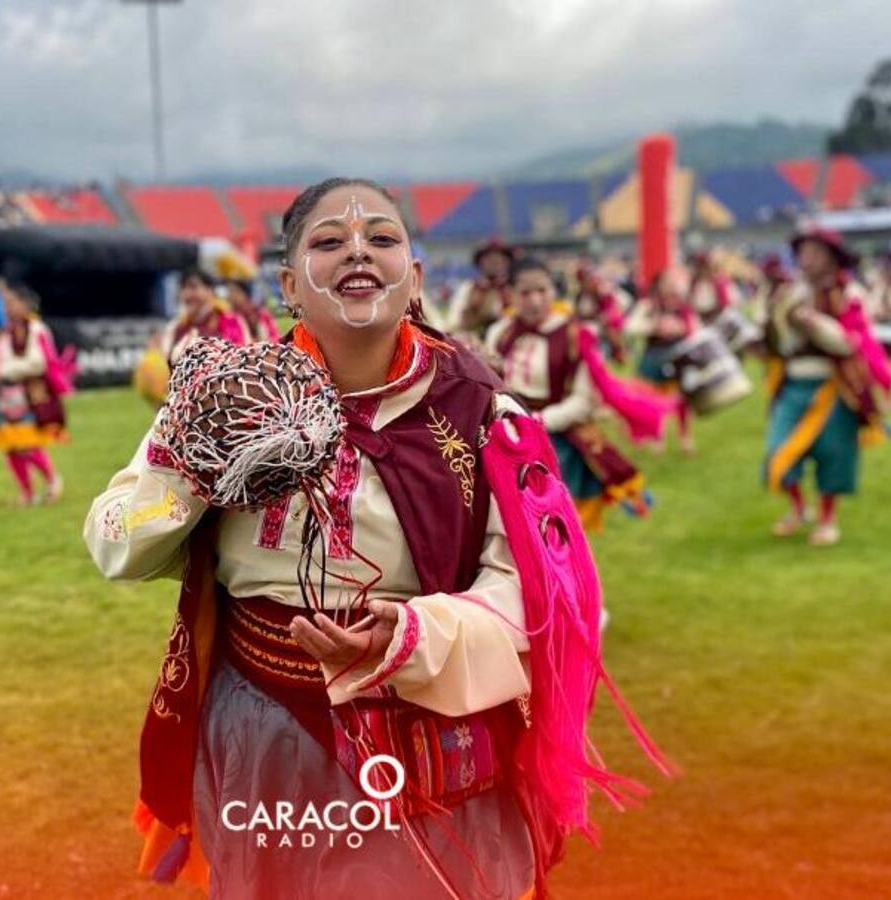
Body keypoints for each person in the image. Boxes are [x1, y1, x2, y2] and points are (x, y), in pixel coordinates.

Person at [85, 178, 658, 899]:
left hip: (431, 718)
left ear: (414, 276)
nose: (358, 250)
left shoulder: (482, 411)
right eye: (328, 241)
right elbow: (113, 541)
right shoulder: (226, 400)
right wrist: (195, 470)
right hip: (264, 723)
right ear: (290, 282)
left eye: (382, 238)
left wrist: (416, 634)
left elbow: (543, 589)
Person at [487, 257, 655, 531]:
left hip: (556, 437)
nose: (535, 300)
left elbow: (583, 400)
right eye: (526, 293)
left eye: (542, 291)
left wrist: (538, 421)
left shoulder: (576, 334)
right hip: (505, 436)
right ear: (512, 295)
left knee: (557, 528)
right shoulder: (499, 334)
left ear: (554, 291)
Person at [762, 228, 891, 546]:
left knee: (834, 454)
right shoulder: (787, 293)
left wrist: (816, 325)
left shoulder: (849, 294)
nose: (807, 259)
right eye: (804, 252)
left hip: (834, 386)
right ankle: (798, 509)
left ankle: (827, 518)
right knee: (778, 449)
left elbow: (851, 344)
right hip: (793, 383)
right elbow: (774, 340)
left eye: (815, 252)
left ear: (831, 259)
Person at [0, 280, 67, 506]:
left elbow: (39, 362)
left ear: (25, 304)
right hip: (6, 395)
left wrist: (8, 369)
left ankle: (52, 480)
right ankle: (27, 492)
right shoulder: (6, 333)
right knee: (10, 446)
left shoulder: (36, 330)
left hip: (28, 394)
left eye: (11, 302)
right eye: (6, 303)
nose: (7, 307)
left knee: (27, 443)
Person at [625, 265, 699, 454]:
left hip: (679, 354)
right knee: (653, 398)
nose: (670, 286)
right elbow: (631, 326)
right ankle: (657, 437)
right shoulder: (649, 305)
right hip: (654, 355)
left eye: (672, 282)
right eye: (666, 282)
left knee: (682, 399)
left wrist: (680, 328)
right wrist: (653, 326)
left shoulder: (683, 304)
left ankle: (685, 438)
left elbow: (695, 327)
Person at [159, 268, 251, 367]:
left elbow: (242, 362)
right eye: (183, 288)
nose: (187, 294)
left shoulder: (231, 322)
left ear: (210, 290)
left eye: (193, 287)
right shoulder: (176, 328)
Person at [446, 238, 514, 340]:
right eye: (489, 259)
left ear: (507, 262)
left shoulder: (514, 289)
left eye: (499, 259)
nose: (494, 262)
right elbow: (454, 321)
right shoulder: (468, 288)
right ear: (480, 262)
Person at [226, 278, 281, 343]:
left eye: (235, 291)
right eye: (229, 291)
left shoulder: (260, 313)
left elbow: (275, 336)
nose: (231, 295)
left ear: (245, 294)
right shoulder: (229, 318)